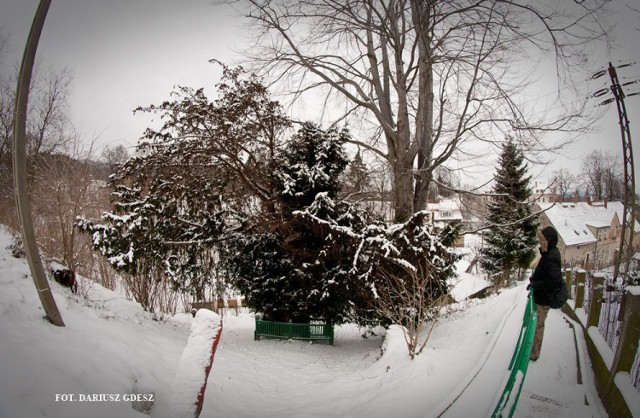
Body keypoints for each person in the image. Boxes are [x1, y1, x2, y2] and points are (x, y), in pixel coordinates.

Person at [527, 225, 563, 361]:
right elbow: (545, 272)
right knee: (536, 324)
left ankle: (533, 353)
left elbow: (554, 281)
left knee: (538, 325)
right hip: (542, 296)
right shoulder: (549, 253)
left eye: (542, 239)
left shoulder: (551, 256)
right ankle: (531, 349)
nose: (539, 242)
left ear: (548, 240)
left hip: (544, 299)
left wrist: (535, 284)